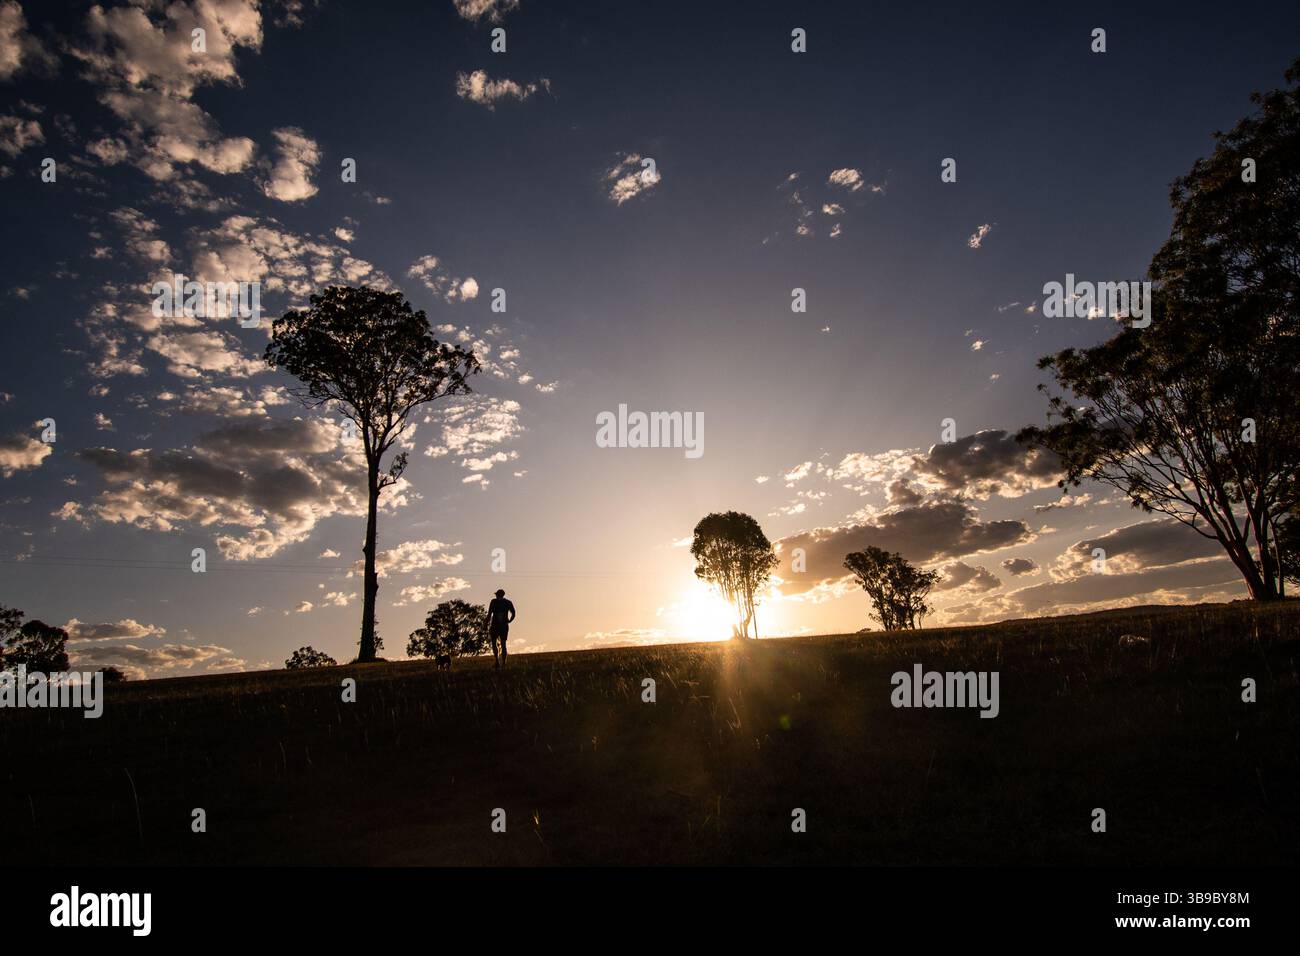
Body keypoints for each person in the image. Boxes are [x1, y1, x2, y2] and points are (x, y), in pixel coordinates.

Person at [485, 588, 515, 668]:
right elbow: (513, 613)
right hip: (504, 626)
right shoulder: (508, 602)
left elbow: (489, 614)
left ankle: (497, 662)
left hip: (495, 625)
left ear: (497, 595)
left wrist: (485, 624)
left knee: (494, 643)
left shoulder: (493, 602)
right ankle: (504, 663)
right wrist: (509, 621)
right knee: (503, 644)